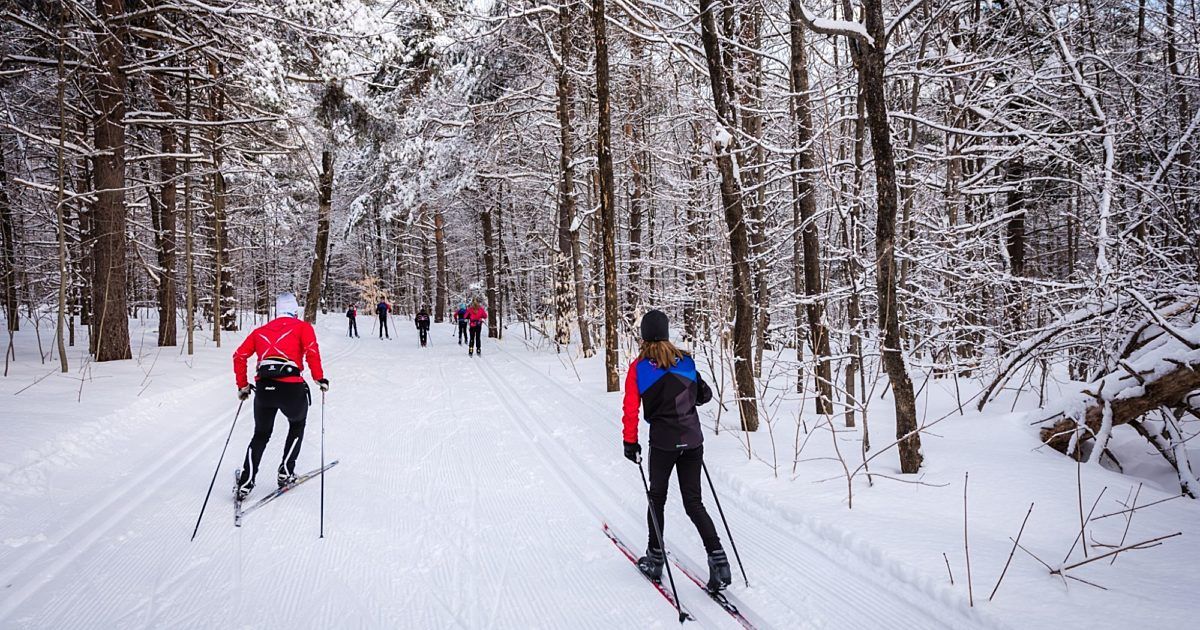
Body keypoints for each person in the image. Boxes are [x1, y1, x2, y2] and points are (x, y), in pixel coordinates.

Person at [621, 309, 730, 592]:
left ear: (644, 336)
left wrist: (630, 442)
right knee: (694, 503)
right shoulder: (686, 360)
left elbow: (631, 409)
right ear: (667, 333)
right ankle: (719, 560)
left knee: (657, 498)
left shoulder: (638, 368)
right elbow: (704, 395)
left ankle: (655, 559)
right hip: (692, 440)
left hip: (663, 443)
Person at [232, 293, 329, 500]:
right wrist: (319, 378)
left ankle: (245, 483)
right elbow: (312, 352)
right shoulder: (303, 328)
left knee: (260, 434)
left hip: (264, 389)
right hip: (291, 389)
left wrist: (243, 386)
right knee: (297, 425)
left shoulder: (260, 331)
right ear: (294, 310)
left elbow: (239, 356)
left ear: (277, 311)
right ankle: (285, 472)